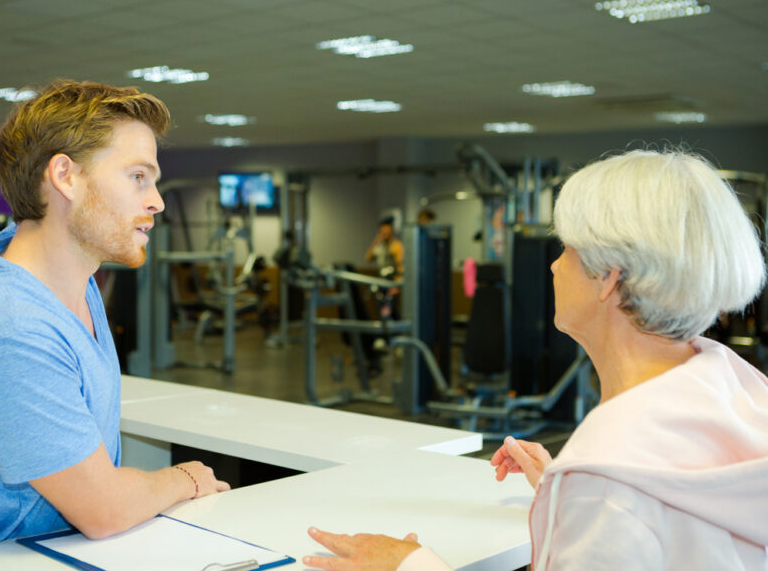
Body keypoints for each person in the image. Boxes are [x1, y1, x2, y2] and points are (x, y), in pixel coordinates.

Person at [304, 149, 768, 571]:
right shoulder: (743, 390)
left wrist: (411, 565)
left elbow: (627, 496)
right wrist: (568, 490)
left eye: (565, 249)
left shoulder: (610, 478)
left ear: (609, 277)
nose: (552, 266)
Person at [0, 80, 230, 551]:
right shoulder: (7, 324)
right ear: (65, 177)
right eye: (138, 176)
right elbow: (103, 508)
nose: (155, 200)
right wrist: (184, 478)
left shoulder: (71, 285)